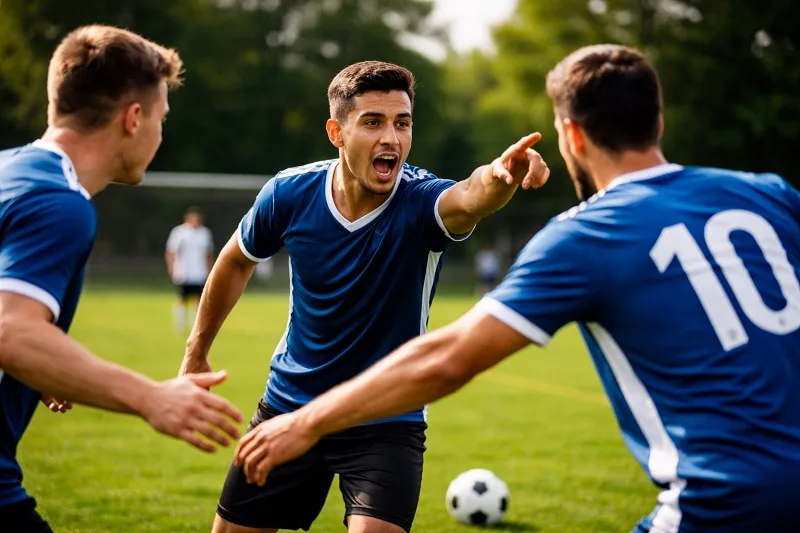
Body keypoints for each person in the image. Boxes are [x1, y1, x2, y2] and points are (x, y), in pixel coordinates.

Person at [232, 45, 800, 533]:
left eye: (402, 122)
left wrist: (305, 422)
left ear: (571, 135)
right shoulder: (771, 193)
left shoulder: (589, 234)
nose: (393, 137)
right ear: (658, 121)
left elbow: (449, 357)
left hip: (722, 504)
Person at [178, 60, 550, 533]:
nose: (391, 138)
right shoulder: (289, 193)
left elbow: (469, 197)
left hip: (387, 418)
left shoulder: (421, 201)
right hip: (291, 403)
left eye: (403, 123)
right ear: (336, 131)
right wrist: (196, 353)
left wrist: (499, 178)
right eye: (373, 122)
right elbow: (236, 259)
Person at [0, 25, 244, 532]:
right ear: (134, 119)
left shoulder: (10, 172)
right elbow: (12, 330)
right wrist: (151, 397)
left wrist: (43, 369)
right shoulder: (60, 205)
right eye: (161, 118)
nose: (160, 133)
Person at [166, 206, 215, 331]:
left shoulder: (205, 233)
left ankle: (195, 324)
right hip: (184, 272)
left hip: (200, 272)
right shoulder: (179, 233)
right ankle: (180, 324)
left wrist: (210, 270)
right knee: (182, 299)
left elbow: (208, 254)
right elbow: (171, 252)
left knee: (199, 300)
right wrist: (172, 268)